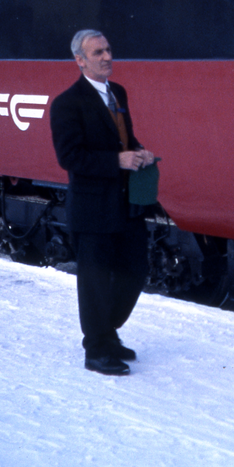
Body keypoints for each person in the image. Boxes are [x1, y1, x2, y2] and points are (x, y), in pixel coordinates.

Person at [50, 29, 157, 376]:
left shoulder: (118, 93)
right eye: (98, 52)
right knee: (94, 281)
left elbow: (124, 138)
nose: (107, 57)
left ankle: (105, 331)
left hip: (125, 204)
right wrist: (117, 161)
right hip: (93, 207)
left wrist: (140, 152)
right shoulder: (67, 103)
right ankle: (96, 349)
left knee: (135, 270)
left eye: (108, 49)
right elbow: (70, 157)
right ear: (79, 61)